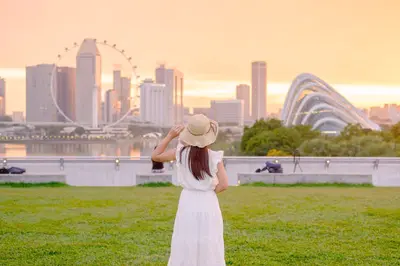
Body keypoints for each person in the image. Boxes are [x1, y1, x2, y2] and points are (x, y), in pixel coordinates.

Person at [151, 114, 228, 266]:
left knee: (186, 237)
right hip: (208, 201)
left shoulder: (180, 153)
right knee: (209, 239)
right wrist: (209, 191)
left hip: (188, 200)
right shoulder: (214, 157)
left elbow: (156, 156)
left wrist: (170, 136)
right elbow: (224, 184)